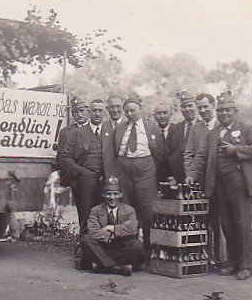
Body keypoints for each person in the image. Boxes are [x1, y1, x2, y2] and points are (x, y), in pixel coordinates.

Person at [187, 91, 252, 280]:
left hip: (239, 184)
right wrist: (191, 174)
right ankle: (233, 261)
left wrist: (236, 150)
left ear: (235, 111)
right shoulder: (213, 133)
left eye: (227, 110)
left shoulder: (247, 130)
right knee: (227, 224)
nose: (224, 114)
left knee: (243, 224)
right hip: (219, 185)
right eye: (221, 111)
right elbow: (202, 156)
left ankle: (245, 266)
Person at [104, 95, 163, 259]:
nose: (130, 114)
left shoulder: (151, 128)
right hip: (124, 170)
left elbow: (159, 154)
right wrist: (114, 174)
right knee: (127, 210)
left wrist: (151, 170)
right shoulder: (120, 128)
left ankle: (148, 250)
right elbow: (113, 154)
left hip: (145, 170)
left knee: (147, 211)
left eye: (133, 110)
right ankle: (130, 250)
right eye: (127, 111)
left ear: (140, 110)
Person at [184, 92, 223, 269]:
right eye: (200, 108)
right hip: (201, 181)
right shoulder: (196, 128)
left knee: (221, 221)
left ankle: (223, 257)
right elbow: (189, 154)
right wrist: (190, 174)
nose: (203, 110)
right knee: (204, 220)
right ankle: (206, 257)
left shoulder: (222, 125)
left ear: (213, 105)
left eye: (206, 107)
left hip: (222, 180)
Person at [78, 176, 145, 276]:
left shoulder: (129, 210)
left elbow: (133, 230)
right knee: (85, 240)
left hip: (120, 249)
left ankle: (101, 265)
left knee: (137, 246)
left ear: (121, 195)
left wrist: (110, 229)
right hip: (102, 247)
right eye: (108, 194)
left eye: (115, 194)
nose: (112, 197)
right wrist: (120, 230)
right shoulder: (96, 210)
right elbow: (92, 232)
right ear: (103, 195)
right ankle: (116, 268)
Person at [61, 99, 109, 235]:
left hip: (106, 181)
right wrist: (81, 172)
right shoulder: (77, 132)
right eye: (94, 111)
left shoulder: (110, 131)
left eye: (100, 111)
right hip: (86, 180)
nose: (97, 114)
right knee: (86, 215)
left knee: (105, 216)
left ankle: (102, 249)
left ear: (104, 113)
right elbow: (66, 156)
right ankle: (85, 249)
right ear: (90, 112)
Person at [56, 96, 89, 189]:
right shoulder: (66, 132)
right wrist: (73, 172)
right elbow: (61, 156)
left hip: (91, 176)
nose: (79, 114)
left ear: (88, 112)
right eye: (76, 112)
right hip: (72, 177)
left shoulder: (94, 129)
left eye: (82, 111)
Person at [166, 91, 197, 183]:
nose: (187, 109)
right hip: (177, 177)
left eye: (190, 105)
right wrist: (171, 175)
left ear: (195, 106)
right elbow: (168, 153)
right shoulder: (174, 128)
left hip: (197, 174)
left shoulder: (202, 127)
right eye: (184, 107)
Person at [153, 102, 173, 183]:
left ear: (170, 114)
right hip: (155, 176)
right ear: (154, 116)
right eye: (159, 113)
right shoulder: (151, 131)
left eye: (165, 113)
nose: (162, 116)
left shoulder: (177, 131)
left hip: (174, 176)